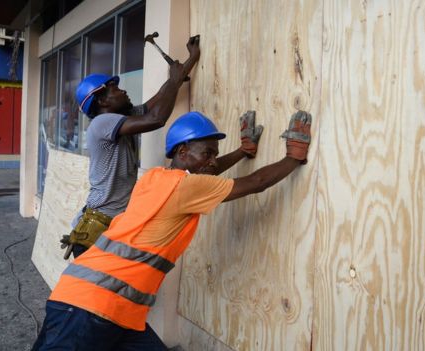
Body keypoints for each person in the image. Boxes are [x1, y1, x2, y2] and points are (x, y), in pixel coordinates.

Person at [31, 110, 312, 350]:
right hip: (89, 308)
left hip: (111, 307)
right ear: (182, 151)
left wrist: (242, 151)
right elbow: (257, 182)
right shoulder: (186, 187)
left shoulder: (154, 177)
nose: (213, 160)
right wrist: (294, 156)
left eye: (215, 154)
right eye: (208, 153)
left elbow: (209, 174)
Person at [60, 36, 261, 259]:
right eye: (115, 89)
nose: (123, 91)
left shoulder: (125, 118)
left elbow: (161, 97)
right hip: (98, 231)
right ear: (102, 102)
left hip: (115, 226)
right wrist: (175, 80)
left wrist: (190, 60)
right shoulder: (101, 124)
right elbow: (156, 118)